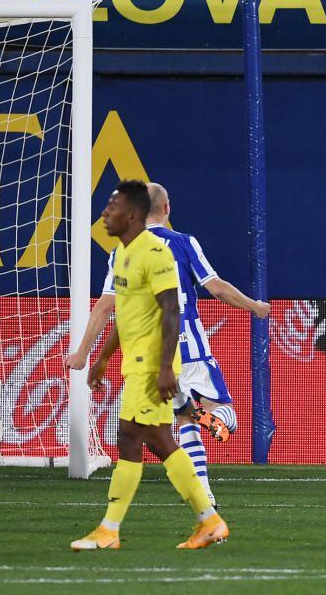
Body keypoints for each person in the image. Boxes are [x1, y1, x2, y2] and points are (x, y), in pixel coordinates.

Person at [66, 182, 270, 505]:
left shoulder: (123, 251)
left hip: (150, 355)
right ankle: (214, 419)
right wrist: (255, 306)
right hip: (190, 347)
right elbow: (216, 287)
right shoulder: (184, 243)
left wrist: (83, 352)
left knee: (180, 421)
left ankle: (201, 492)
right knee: (226, 415)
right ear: (167, 209)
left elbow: (106, 307)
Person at [71, 180, 227, 550]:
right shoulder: (122, 254)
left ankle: (109, 530)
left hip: (153, 363)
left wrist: (166, 368)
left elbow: (171, 311)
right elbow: (125, 314)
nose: (106, 214)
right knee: (158, 440)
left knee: (131, 438)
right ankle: (210, 520)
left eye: (114, 207)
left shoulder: (156, 253)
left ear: (135, 214)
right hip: (135, 360)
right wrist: (104, 357)